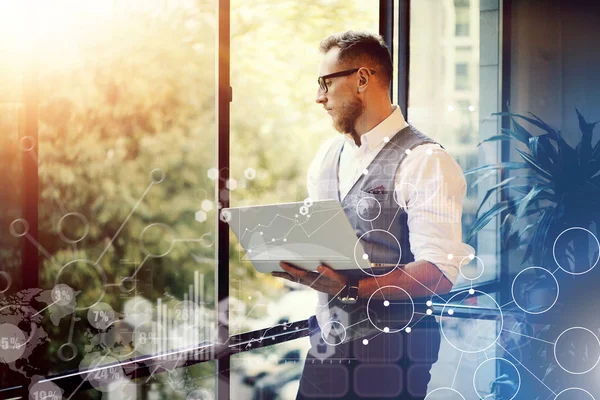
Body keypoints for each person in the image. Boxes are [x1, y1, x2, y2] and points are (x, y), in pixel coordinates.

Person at [271, 30, 474, 400]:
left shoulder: (426, 161)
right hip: (327, 343)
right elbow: (320, 242)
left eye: (326, 83)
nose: (319, 97)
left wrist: (351, 289)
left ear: (362, 78)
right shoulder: (326, 158)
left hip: (394, 352)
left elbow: (439, 273)